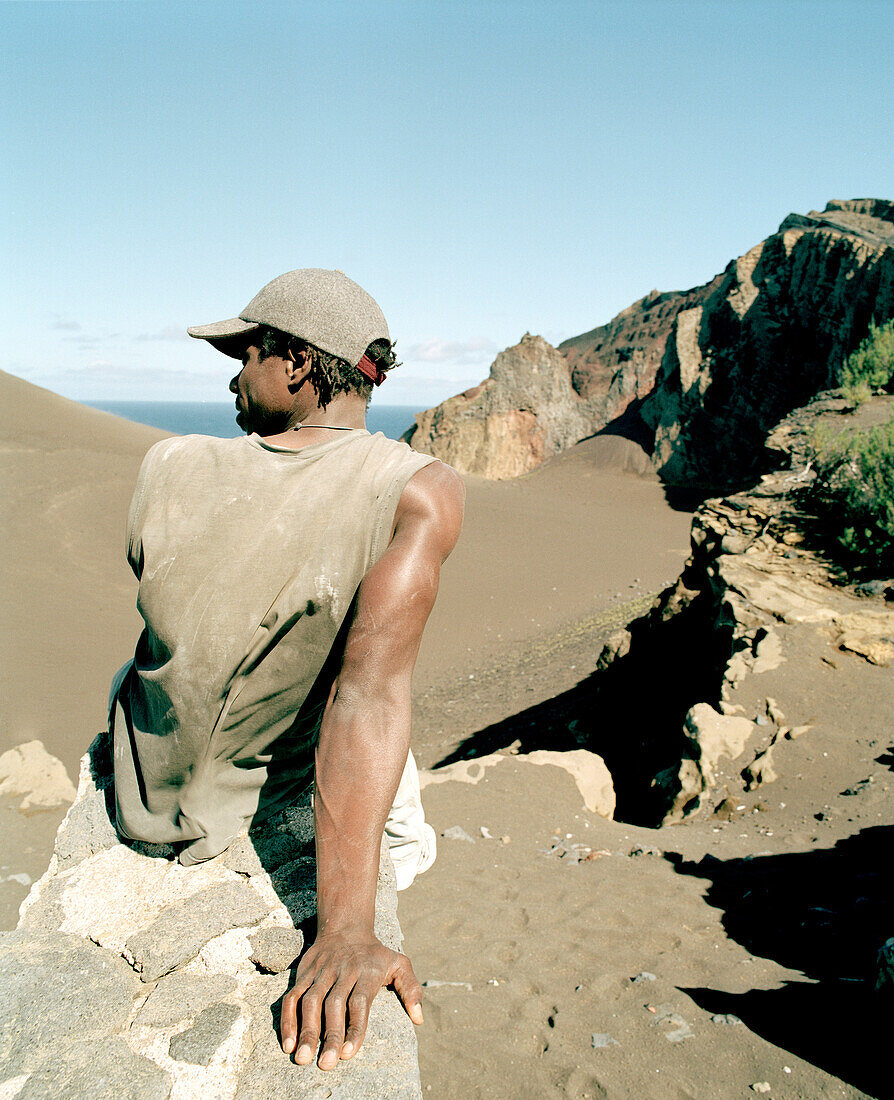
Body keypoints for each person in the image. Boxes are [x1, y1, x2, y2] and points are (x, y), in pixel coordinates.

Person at [110, 268, 464, 1071]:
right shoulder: (417, 491)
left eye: (246, 354)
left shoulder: (166, 463)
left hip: (137, 784)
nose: (234, 375)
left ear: (298, 364)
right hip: (256, 794)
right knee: (408, 821)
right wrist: (347, 931)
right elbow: (367, 698)